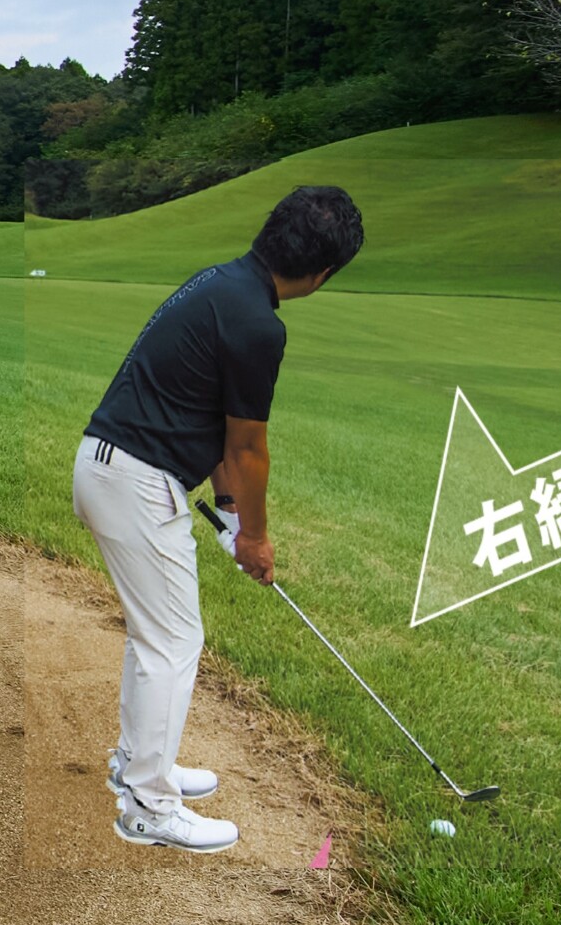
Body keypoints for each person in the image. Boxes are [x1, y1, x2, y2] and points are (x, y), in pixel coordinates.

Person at [70, 182, 364, 854]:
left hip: (113, 466)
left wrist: (231, 514)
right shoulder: (260, 323)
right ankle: (147, 804)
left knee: (159, 634)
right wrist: (255, 537)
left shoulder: (222, 283)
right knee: (173, 640)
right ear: (321, 274)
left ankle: (141, 762)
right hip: (138, 480)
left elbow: (218, 433)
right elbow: (247, 446)